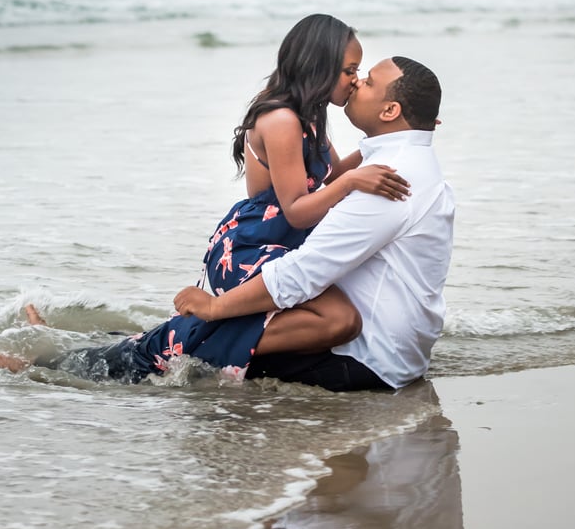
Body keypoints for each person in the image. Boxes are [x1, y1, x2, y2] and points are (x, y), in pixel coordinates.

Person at [0, 16, 409, 379]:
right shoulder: (282, 119)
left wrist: (388, 141)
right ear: (318, 67)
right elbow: (298, 210)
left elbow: (330, 175)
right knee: (338, 320)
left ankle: (67, 343)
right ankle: (39, 364)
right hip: (250, 247)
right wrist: (354, 182)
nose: (356, 80)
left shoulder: (309, 115)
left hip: (278, 245)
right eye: (350, 70)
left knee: (316, 319)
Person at [171, 55, 455, 391]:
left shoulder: (389, 178)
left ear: (390, 111)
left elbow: (304, 272)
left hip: (365, 358)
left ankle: (170, 343)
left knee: (186, 353)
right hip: (398, 352)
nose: (357, 81)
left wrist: (215, 307)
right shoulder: (410, 161)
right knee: (238, 326)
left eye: (368, 81)